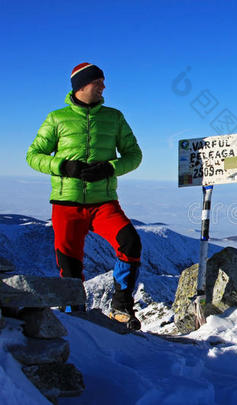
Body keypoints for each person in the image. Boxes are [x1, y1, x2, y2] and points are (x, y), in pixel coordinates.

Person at [26, 63, 143, 330]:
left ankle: (121, 305)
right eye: (98, 82)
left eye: (102, 81)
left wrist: (109, 168)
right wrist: (62, 166)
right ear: (81, 86)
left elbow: (134, 156)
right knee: (69, 264)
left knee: (130, 242)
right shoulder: (57, 118)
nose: (103, 86)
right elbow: (33, 156)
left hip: (103, 203)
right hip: (66, 203)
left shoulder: (114, 117)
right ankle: (74, 316)